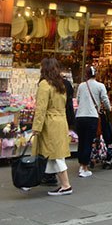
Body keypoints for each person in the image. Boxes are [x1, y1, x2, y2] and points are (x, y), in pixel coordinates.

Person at [32, 58, 72, 195]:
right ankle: (35, 179)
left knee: (54, 154)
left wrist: (36, 127)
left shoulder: (44, 84)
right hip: (61, 121)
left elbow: (41, 108)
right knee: (54, 153)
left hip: (50, 123)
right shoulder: (60, 85)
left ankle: (66, 185)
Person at [75, 65, 111, 178]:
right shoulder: (100, 86)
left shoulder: (81, 86)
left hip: (80, 116)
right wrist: (109, 108)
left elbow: (78, 100)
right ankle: (84, 167)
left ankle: (81, 164)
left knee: (81, 141)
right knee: (88, 141)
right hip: (92, 116)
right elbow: (105, 99)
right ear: (96, 74)